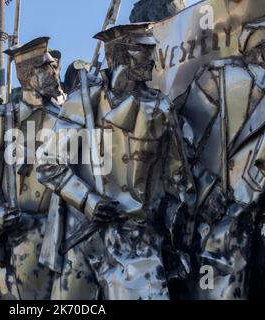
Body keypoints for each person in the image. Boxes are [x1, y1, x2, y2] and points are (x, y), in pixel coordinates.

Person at [36, 23, 194, 300]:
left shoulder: (161, 108)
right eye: (142, 52)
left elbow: (178, 179)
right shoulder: (84, 99)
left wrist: (171, 233)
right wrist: (88, 201)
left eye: (151, 51)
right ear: (119, 55)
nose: (152, 60)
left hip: (137, 243)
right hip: (83, 242)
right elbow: (48, 164)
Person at [177, 11, 265, 299]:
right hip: (224, 217)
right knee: (217, 289)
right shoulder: (218, 79)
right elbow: (184, 144)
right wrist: (209, 193)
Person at [0, 37, 66, 299]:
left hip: (59, 235)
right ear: (27, 75)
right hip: (15, 237)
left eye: (54, 67)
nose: (54, 74)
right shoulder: (2, 117)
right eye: (46, 68)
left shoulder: (67, 116)